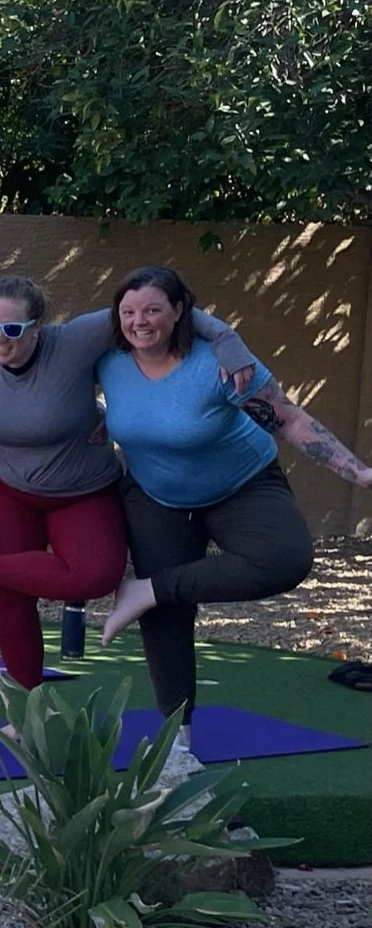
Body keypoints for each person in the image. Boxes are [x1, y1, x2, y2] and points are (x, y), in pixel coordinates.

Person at [0, 275, 254, 692]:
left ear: (38, 327)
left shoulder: (75, 339)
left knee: (94, 576)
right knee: (12, 597)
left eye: (11, 330)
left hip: (81, 488)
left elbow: (150, 309)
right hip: (6, 486)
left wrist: (227, 339)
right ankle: (24, 707)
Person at [95, 267, 366, 745]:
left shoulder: (217, 362)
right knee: (168, 618)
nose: (140, 322)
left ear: (180, 313)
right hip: (156, 495)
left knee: (286, 559)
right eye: (130, 311)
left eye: (154, 310)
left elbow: (285, 417)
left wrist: (358, 472)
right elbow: (31, 346)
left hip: (242, 484)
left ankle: (148, 588)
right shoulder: (107, 358)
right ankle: (176, 746)